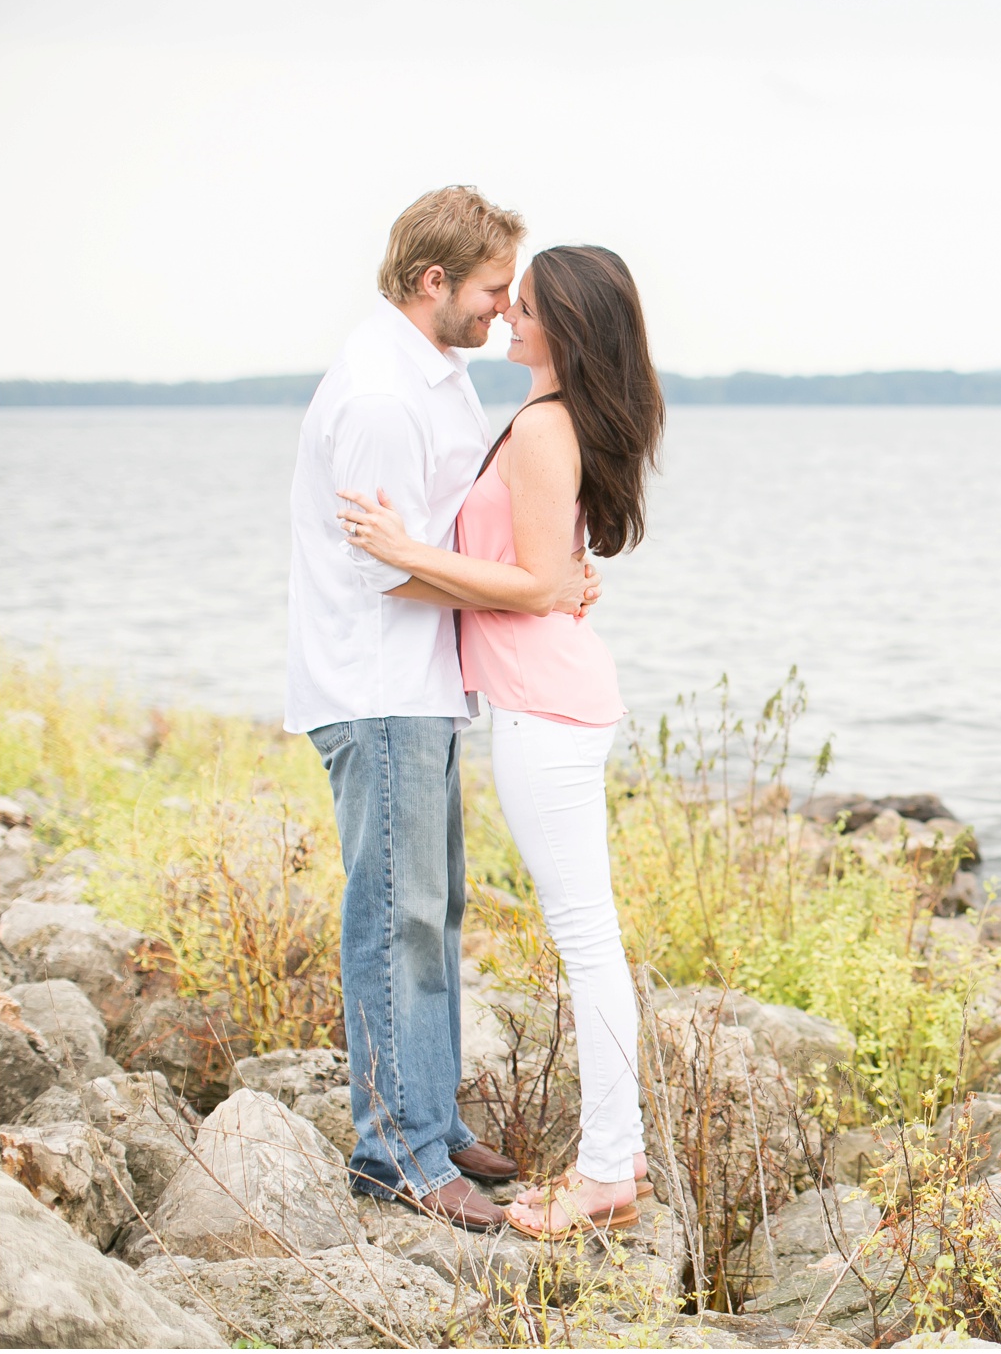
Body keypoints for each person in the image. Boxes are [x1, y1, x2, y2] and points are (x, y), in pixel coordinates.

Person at [287, 187, 602, 1231]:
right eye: (490, 287)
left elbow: (460, 540)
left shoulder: (438, 379)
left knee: (434, 912)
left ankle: (430, 1114)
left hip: (422, 688)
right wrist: (538, 587)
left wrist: (548, 571)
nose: (505, 307)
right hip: (379, 687)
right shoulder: (381, 393)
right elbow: (394, 576)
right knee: (395, 917)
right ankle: (400, 1155)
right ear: (432, 284)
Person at [337, 244, 663, 1240]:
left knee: (583, 936)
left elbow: (527, 583)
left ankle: (611, 1169)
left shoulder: (540, 428)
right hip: (546, 698)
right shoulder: (547, 423)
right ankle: (617, 1160)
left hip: (545, 709)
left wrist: (404, 554)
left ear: (565, 323)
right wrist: (425, 568)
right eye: (506, 299)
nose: (506, 318)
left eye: (523, 307)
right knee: (585, 932)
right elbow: (543, 571)